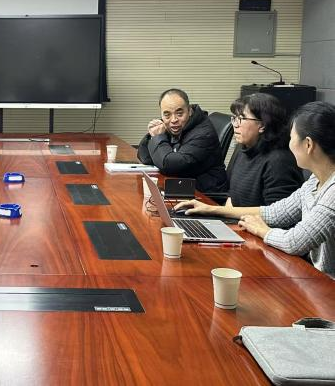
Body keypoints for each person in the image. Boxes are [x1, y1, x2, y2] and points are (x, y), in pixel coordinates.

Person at [175, 101, 335, 278]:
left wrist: (262, 230)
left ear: (308, 145)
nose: (289, 144)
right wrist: (211, 209)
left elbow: (294, 242)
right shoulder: (315, 180)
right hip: (316, 277)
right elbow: (277, 212)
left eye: (292, 138)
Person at [137, 88, 228, 193]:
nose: (174, 120)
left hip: (205, 194)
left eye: (179, 114)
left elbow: (170, 166)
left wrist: (158, 137)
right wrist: (152, 135)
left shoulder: (203, 134)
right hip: (183, 186)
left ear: (190, 111)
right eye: (167, 115)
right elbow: (145, 157)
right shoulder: (172, 126)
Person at [226, 93, 303, 207]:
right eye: (234, 118)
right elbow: (232, 197)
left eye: (241, 118)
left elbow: (276, 213)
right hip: (234, 217)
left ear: (262, 125)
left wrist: (217, 211)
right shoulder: (244, 149)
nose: (235, 125)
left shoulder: (279, 161)